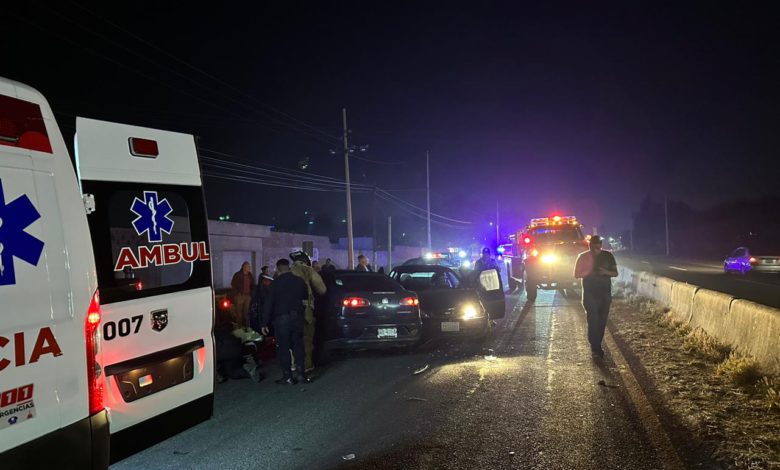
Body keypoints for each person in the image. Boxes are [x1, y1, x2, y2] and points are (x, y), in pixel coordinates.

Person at [262, 258, 310, 384]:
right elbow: (305, 296)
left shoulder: (275, 283)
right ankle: (301, 374)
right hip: (297, 317)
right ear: (288, 267)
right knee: (298, 345)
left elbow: (269, 303)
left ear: (278, 269)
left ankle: (287, 376)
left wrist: (264, 322)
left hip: (281, 319)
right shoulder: (299, 281)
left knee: (283, 347)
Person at [574, 235, 618, 359]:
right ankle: (596, 348)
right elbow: (576, 274)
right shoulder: (582, 257)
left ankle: (597, 345)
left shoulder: (608, 256)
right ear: (589, 245)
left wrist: (605, 272)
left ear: (601, 245)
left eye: (597, 247)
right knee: (593, 321)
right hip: (589, 294)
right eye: (592, 247)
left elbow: (615, 273)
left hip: (605, 295)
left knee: (601, 322)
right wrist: (588, 271)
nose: (595, 250)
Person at [289, 250, 327, 373]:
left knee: (291, 336)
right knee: (306, 337)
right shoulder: (308, 270)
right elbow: (322, 289)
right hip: (305, 308)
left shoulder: (286, 270)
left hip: (286, 309)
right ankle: (306, 365)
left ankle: (293, 363)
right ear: (306, 260)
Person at [230, 262, 255, 327]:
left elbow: (252, 285)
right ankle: (239, 327)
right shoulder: (238, 275)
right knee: (239, 313)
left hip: (247, 296)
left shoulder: (250, 275)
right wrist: (237, 294)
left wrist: (251, 294)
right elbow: (233, 284)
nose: (250, 268)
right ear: (244, 267)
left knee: (246, 313)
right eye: (248, 266)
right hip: (239, 296)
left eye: (250, 266)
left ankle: (247, 327)